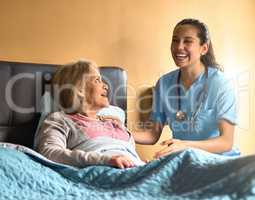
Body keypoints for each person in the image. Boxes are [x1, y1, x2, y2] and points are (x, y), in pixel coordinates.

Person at [133, 18, 240, 158]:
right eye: (175, 40)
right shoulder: (164, 83)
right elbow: (152, 135)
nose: (179, 47)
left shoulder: (221, 84)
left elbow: (226, 142)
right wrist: (117, 133)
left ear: (204, 48)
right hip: (184, 160)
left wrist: (185, 146)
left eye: (187, 41)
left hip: (219, 160)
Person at [34, 60, 144, 168]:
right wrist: (105, 160)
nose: (106, 86)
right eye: (97, 80)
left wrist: (144, 164)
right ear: (79, 89)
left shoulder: (114, 122)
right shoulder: (61, 119)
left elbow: (129, 155)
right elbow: (49, 153)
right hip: (103, 172)